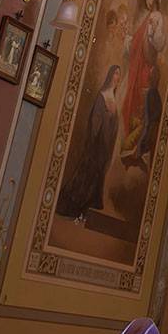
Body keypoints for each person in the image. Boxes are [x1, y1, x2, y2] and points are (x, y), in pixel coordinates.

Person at [56, 65, 122, 225]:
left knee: (96, 178)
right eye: (115, 73)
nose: (117, 77)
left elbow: (114, 126)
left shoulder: (113, 99)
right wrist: (100, 134)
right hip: (96, 147)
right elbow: (95, 122)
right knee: (86, 176)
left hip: (105, 148)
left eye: (119, 74)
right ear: (110, 75)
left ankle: (84, 213)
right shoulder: (102, 96)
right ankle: (74, 208)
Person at [121, 0, 167, 170]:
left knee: (143, 109)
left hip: (145, 69)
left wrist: (151, 34)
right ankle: (130, 146)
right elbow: (137, 43)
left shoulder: (157, 17)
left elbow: (160, 44)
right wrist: (129, 39)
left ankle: (138, 149)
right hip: (137, 68)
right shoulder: (147, 17)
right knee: (129, 103)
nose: (149, 1)